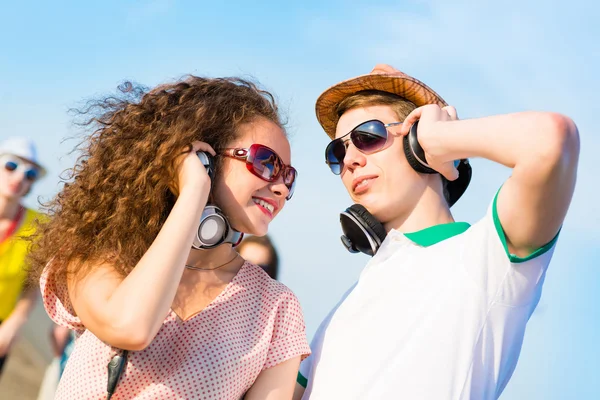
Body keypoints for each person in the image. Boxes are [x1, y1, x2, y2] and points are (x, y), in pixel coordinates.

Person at [294, 64, 579, 400]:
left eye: (367, 137)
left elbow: (552, 139)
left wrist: (443, 139)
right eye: (337, 152)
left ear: (418, 142)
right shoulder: (339, 315)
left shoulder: (487, 258)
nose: (351, 159)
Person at [29, 76, 310, 399]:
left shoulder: (277, 307)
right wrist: (193, 191)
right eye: (266, 162)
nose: (281, 187)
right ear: (206, 158)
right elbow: (129, 327)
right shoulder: (100, 253)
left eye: (288, 176)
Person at [0, 137, 45, 376]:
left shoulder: (39, 226)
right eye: (11, 166)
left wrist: (15, 322)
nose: (19, 178)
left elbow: (32, 282)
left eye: (30, 174)